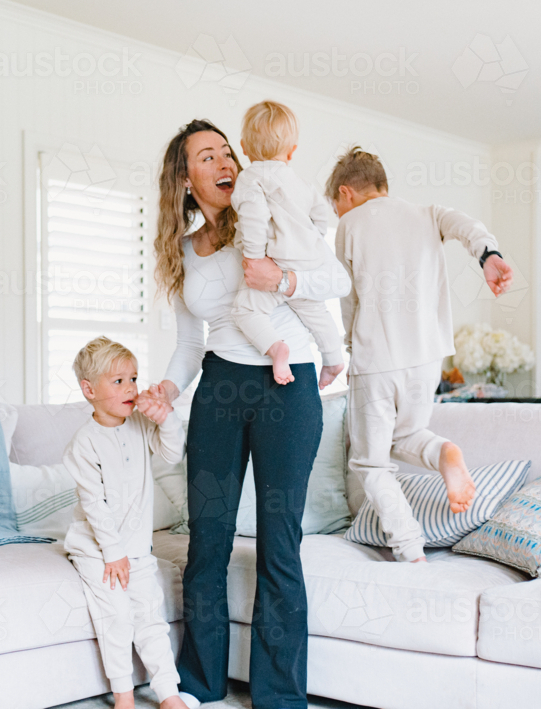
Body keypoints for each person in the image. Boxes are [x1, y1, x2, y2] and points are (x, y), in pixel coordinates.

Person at [140, 120, 351, 709]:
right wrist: (165, 388)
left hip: (288, 387)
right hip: (220, 387)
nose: (226, 162)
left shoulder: (268, 216)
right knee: (206, 542)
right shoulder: (182, 251)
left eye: (227, 151)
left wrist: (281, 276)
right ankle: (200, 684)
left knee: (279, 543)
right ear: (187, 180)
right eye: (208, 157)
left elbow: (333, 279)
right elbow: (188, 347)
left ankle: (279, 697)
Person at [329, 146, 514, 562]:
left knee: (371, 464)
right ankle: (444, 452)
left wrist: (347, 346)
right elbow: (465, 225)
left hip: (377, 359)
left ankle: (408, 546)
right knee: (408, 436)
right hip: (428, 357)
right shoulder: (427, 213)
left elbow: (348, 297)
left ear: (346, 194)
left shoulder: (349, 224)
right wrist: (488, 254)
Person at [62, 336, 189, 709]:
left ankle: (168, 692)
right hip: (98, 550)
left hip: (138, 549)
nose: (130, 387)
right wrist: (113, 554)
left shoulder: (139, 425)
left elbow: (171, 452)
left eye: (133, 378)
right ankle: (124, 695)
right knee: (116, 615)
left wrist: (166, 418)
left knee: (150, 617)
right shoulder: (83, 444)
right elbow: (95, 505)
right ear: (89, 390)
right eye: (118, 381)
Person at [231, 100, 344, 387]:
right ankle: (333, 359)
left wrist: (255, 258)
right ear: (292, 151)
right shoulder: (302, 182)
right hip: (308, 259)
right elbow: (321, 213)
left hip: (277, 262)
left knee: (246, 309)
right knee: (315, 310)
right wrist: (312, 238)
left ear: (243, 146)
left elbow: (254, 218)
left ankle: (275, 348)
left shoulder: (250, 178)